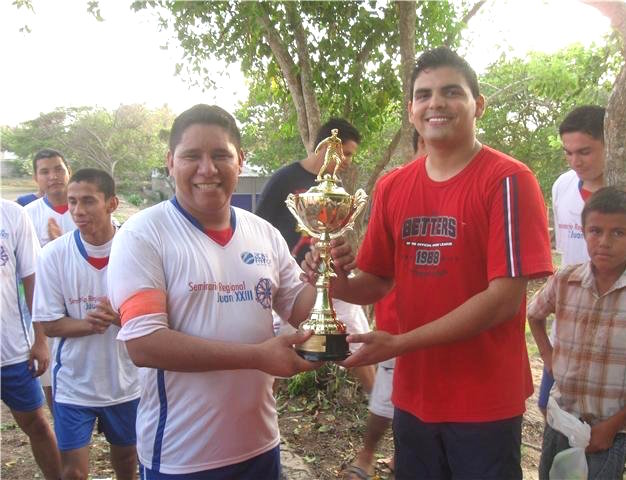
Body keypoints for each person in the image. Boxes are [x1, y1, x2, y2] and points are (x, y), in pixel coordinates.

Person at [304, 46, 553, 479]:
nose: (435, 102)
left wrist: (400, 343)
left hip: (484, 400)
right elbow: (378, 281)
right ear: (412, 111)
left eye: (451, 91)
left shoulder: (510, 180)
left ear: (478, 105)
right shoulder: (393, 186)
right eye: (423, 95)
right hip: (414, 397)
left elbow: (503, 300)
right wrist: (329, 278)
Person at [107, 104, 324, 479]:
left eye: (220, 155)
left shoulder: (264, 233)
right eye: (192, 156)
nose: (207, 169)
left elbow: (300, 310)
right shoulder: (144, 235)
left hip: (260, 444)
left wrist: (323, 275)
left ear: (240, 160)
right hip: (182, 456)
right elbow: (143, 344)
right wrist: (257, 356)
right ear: (170, 161)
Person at [33, 169, 140, 480]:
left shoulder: (135, 251)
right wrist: (88, 324)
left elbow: (157, 317)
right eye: (73, 202)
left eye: (88, 201)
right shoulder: (54, 254)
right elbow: (50, 324)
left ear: (112, 203)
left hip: (127, 382)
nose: (78, 211)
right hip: (74, 385)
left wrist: (120, 319)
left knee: (127, 461)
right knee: (73, 474)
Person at [256, 117, 375, 393]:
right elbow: (259, 226)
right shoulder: (285, 178)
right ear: (325, 147)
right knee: (272, 355)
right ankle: (259, 410)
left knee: (359, 340)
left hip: (328, 281)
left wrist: (341, 256)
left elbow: (336, 234)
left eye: (350, 156)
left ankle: (379, 407)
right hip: (290, 284)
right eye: (344, 153)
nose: (346, 161)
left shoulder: (335, 189)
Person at [344, 131, 427, 480]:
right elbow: (375, 273)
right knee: (387, 397)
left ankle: (400, 457)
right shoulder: (395, 187)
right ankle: (368, 455)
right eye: (425, 143)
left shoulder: (491, 181)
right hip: (396, 321)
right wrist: (332, 277)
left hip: (446, 332)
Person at [528, 187, 626, 480]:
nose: (604, 242)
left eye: (618, 233)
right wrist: (548, 356)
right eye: (595, 231)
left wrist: (613, 425)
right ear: (583, 232)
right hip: (561, 421)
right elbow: (534, 315)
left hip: (609, 432)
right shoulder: (566, 279)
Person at [537, 105, 607, 415]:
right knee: (549, 408)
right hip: (566, 326)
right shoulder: (563, 187)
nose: (575, 161)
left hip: (611, 328)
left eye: (585, 152)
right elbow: (566, 256)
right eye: (568, 153)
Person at [0, 199, 62, 480]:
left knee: (37, 424)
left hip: (11, 349)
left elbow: (32, 278)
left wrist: (40, 338)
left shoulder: (12, 214)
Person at [24, 148, 76, 410]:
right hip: (48, 308)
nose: (53, 176)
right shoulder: (28, 215)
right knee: (51, 374)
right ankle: (62, 429)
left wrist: (61, 245)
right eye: (45, 171)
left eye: (58, 169)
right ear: (36, 178)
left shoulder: (87, 206)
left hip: (83, 304)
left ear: (69, 171)